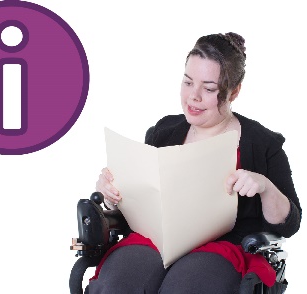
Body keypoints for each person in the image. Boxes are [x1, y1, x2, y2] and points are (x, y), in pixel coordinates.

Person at [88, 32, 302, 294]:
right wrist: (111, 194)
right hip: (153, 242)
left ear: (234, 91)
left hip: (221, 249)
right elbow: (136, 204)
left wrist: (265, 187)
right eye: (188, 82)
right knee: (117, 286)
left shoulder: (263, 144)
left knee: (186, 287)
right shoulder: (163, 132)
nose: (194, 97)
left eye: (209, 88)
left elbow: (289, 224)